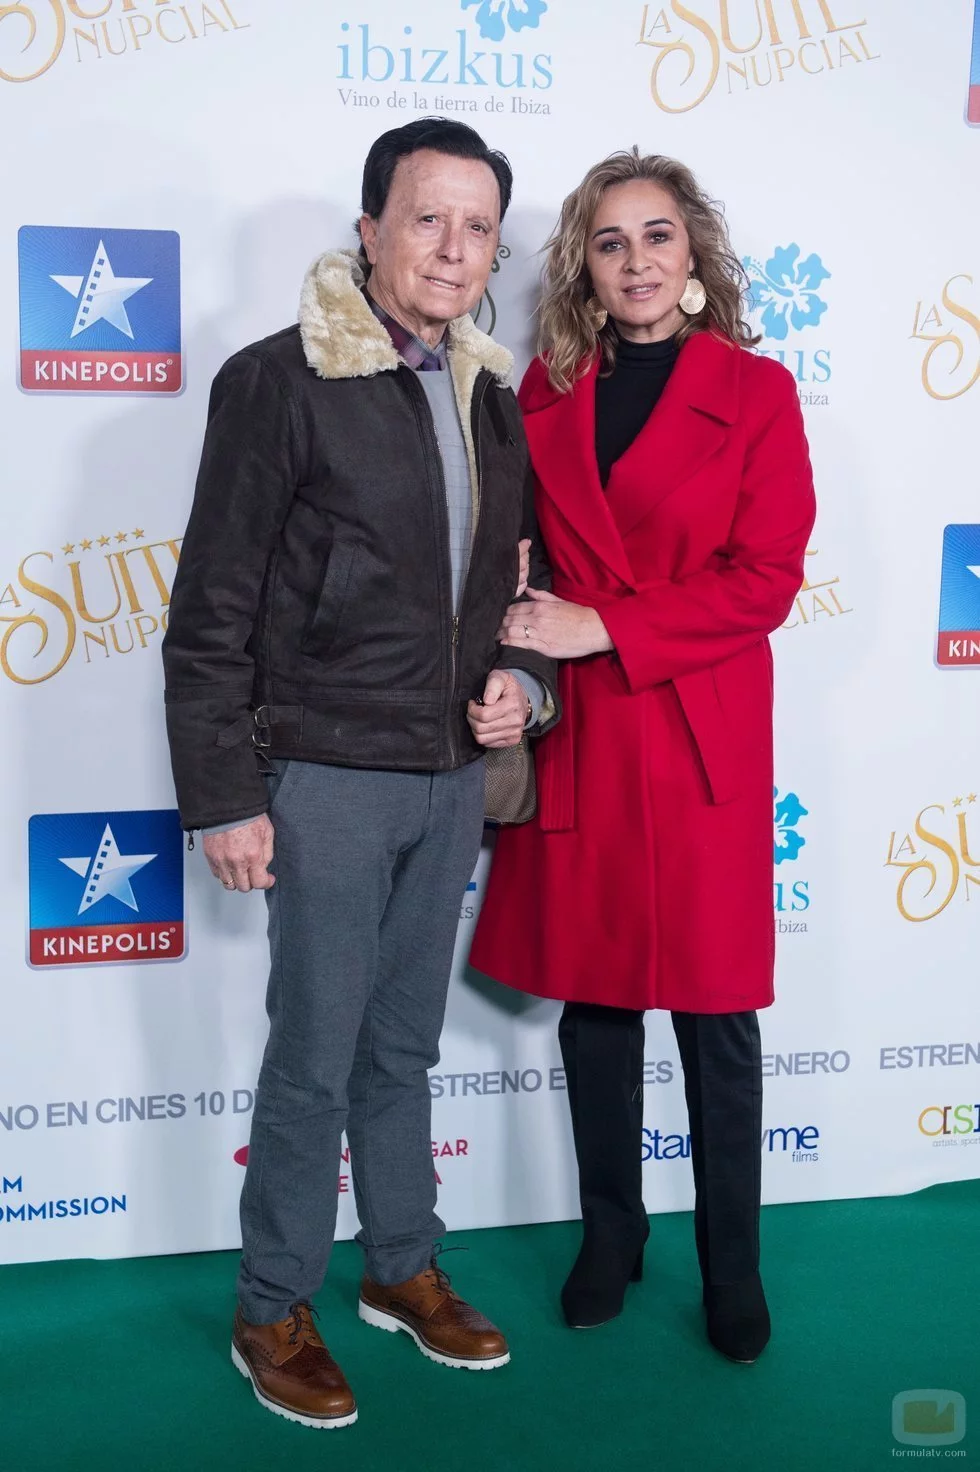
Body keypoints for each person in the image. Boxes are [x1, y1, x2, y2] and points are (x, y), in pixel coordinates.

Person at [162, 117, 558, 1430]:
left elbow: (516, 591)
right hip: (323, 771)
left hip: (447, 775)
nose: (452, 248)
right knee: (316, 1053)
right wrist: (225, 793)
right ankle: (272, 1302)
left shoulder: (490, 395)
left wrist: (523, 683)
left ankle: (399, 1265)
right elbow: (211, 609)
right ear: (371, 228)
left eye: (478, 227)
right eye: (426, 217)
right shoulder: (278, 380)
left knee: (401, 1044)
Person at [469, 148, 815, 1364]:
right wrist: (525, 620)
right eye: (609, 242)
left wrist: (606, 624)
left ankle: (733, 1262)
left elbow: (764, 579)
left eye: (655, 235)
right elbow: (512, 551)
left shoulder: (755, 392)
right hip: (588, 735)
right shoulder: (543, 392)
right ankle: (609, 1232)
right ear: (583, 265)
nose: (635, 262)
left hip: (697, 728)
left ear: (692, 251)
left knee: (716, 1015)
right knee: (598, 995)